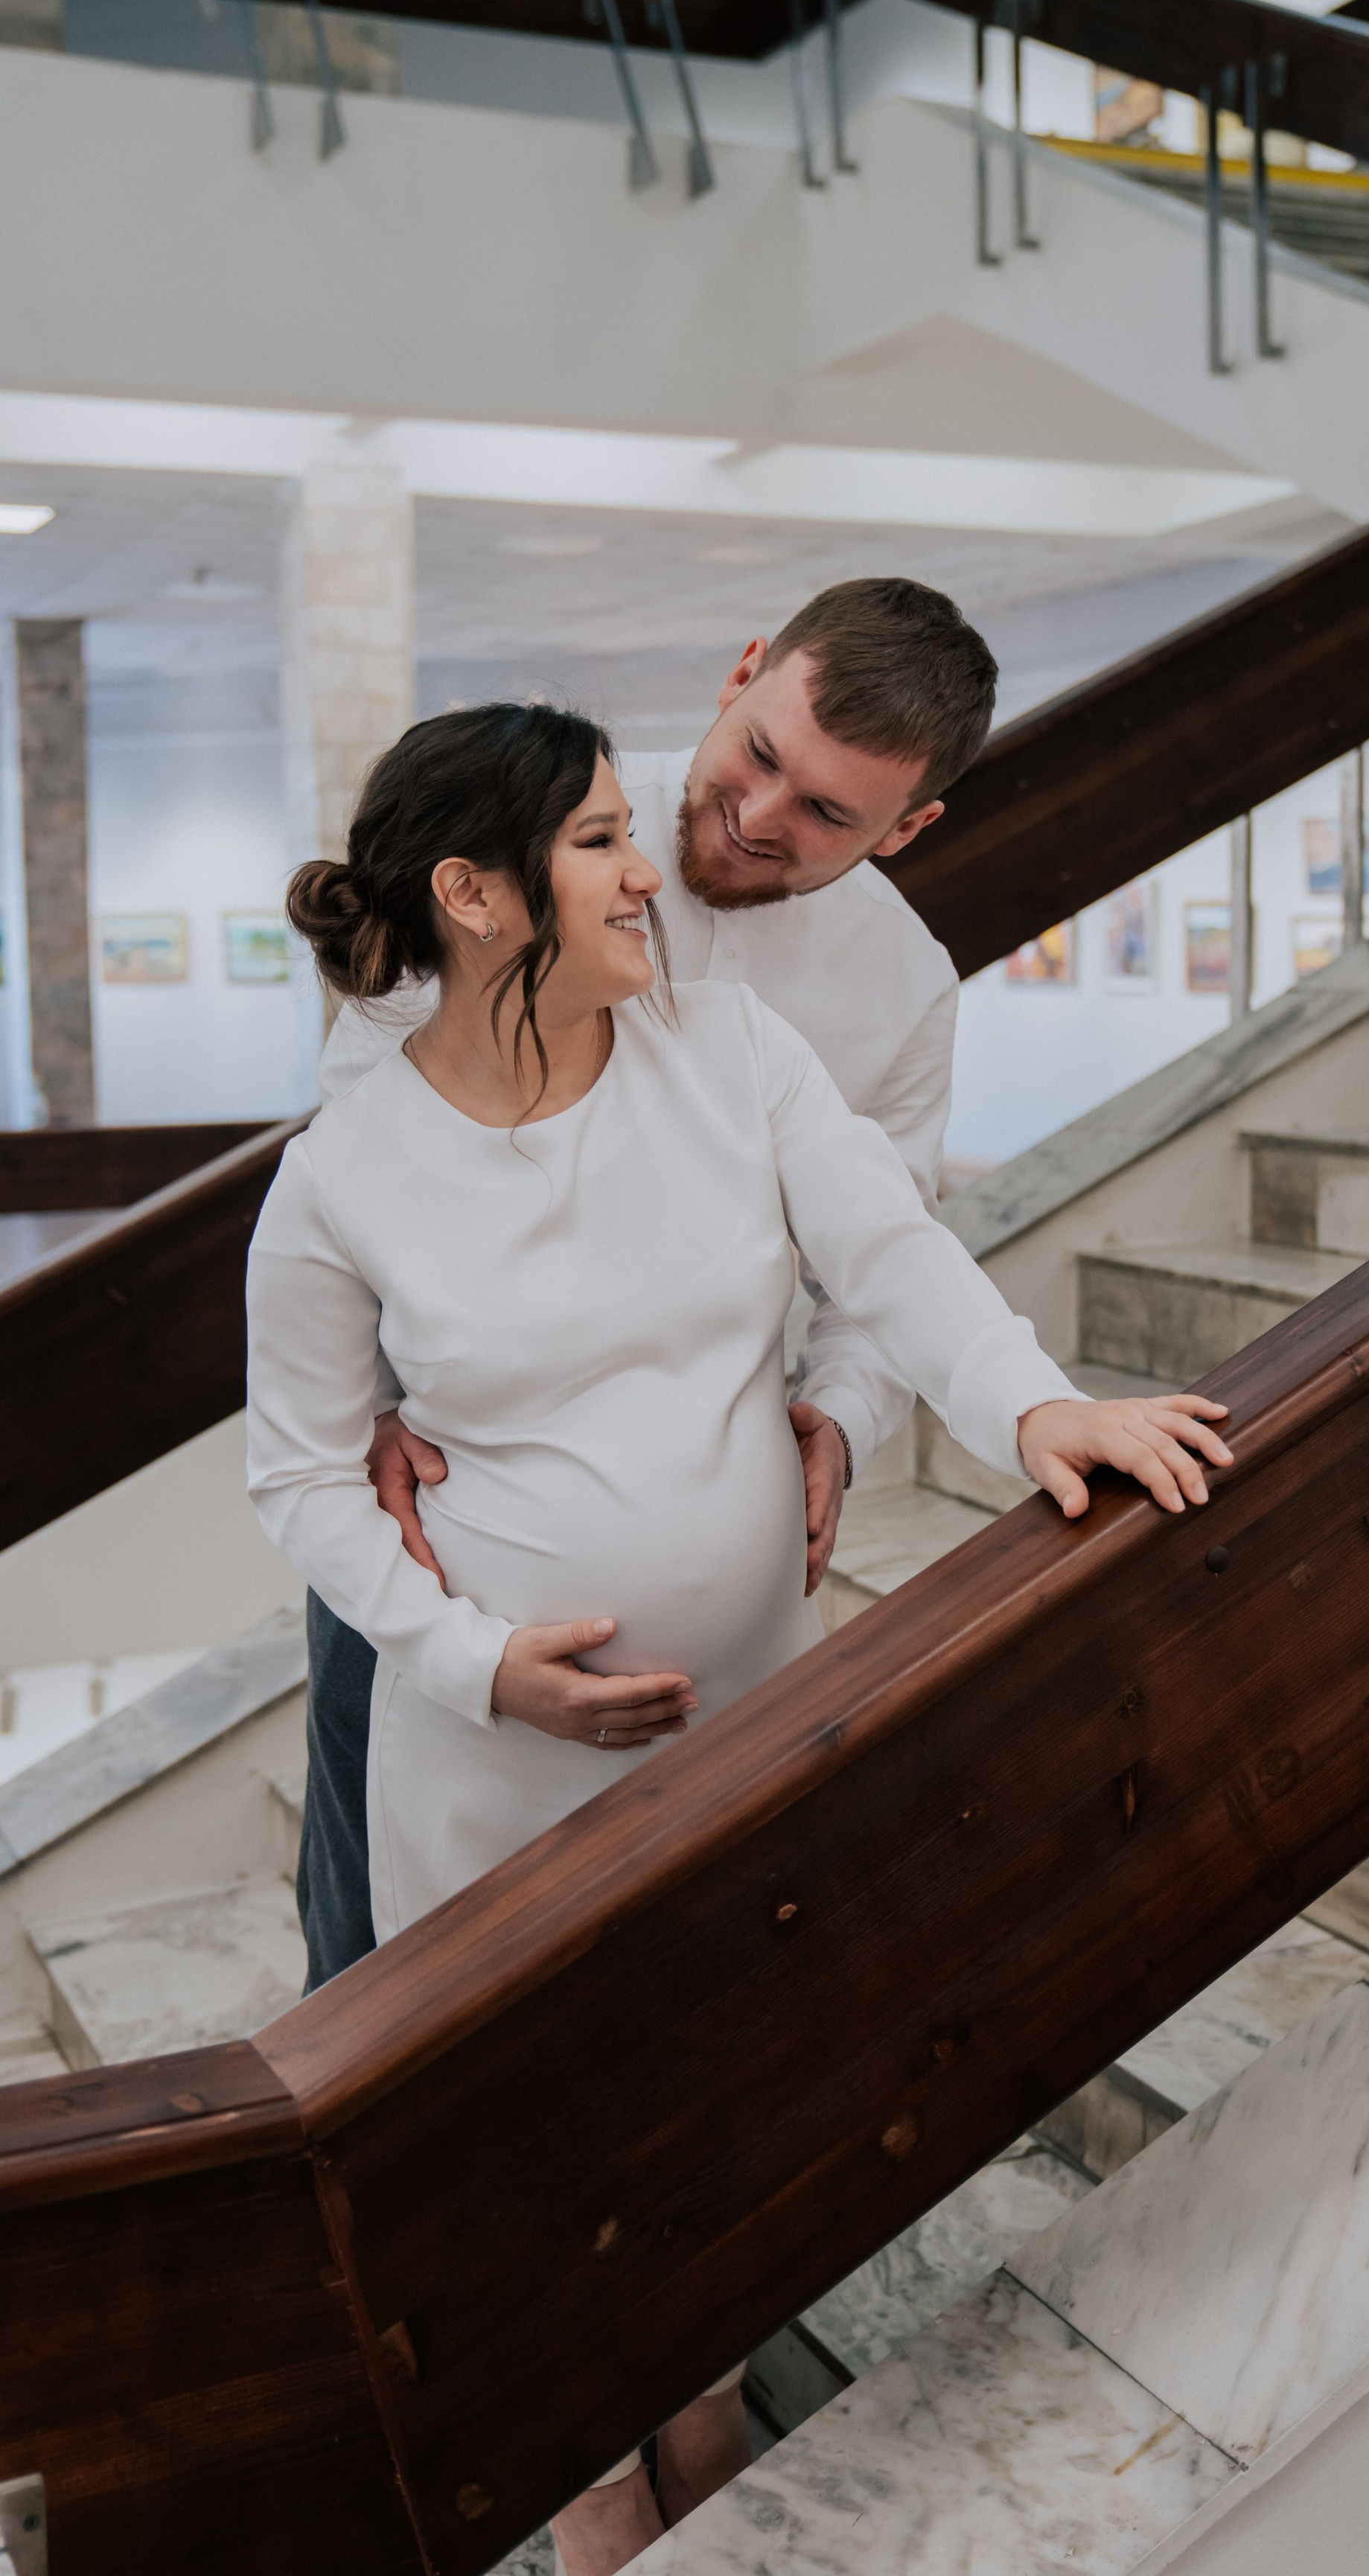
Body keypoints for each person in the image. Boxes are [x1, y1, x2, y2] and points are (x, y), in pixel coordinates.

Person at [246, 700, 1233, 2576]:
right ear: (473, 896)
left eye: (631, 829)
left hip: (749, 1715)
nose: (650, 877)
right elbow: (299, 1475)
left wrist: (1034, 1407)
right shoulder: (341, 1173)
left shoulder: (731, 1049)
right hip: (487, 1763)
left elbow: (893, 1255)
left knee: (711, 2085)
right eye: (600, 843)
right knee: (520, 2134)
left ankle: (695, 2391)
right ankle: (579, 2475)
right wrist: (472, 1663)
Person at [293, 578, 998, 1995]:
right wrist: (357, 1413)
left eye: (827, 815)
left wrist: (843, 1421)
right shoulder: (515, 834)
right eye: (758, 755)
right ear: (740, 672)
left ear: (908, 830)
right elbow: (363, 1137)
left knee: (692, 1951)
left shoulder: (906, 988)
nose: (757, 818)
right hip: (439, 1524)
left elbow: (881, 1263)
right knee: (373, 1948)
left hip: (723, 1583)